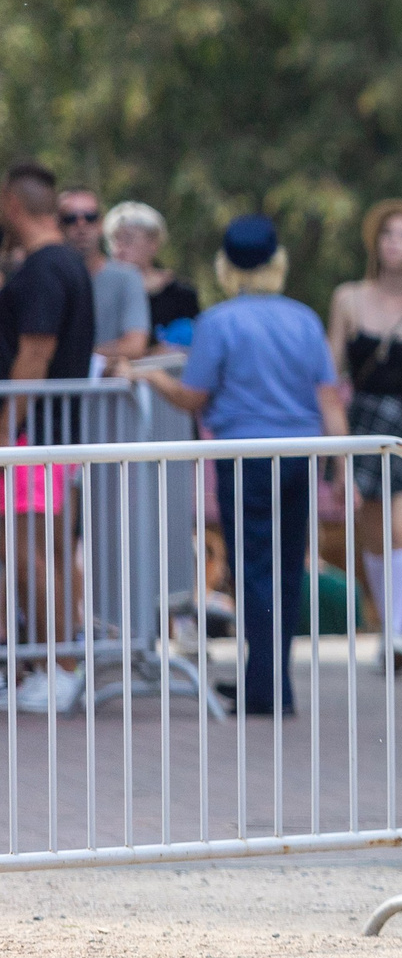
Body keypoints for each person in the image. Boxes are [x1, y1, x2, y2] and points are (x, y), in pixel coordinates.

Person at [123, 216, 345, 716]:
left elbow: (191, 396)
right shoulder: (304, 319)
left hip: (245, 457)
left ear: (226, 266)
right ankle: (271, 681)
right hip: (300, 457)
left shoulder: (220, 322)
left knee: (252, 570)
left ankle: (265, 687)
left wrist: (150, 377)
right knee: (287, 569)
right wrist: (343, 467)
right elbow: (329, 402)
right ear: (277, 262)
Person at [327, 202, 402, 674]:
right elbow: (330, 371)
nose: (394, 243)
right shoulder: (348, 299)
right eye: (388, 235)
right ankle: (385, 623)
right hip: (362, 424)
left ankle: (395, 634)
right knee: (373, 534)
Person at [1, 163, 99, 712]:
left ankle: (58, 667)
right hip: (50, 431)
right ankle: (59, 665)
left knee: (28, 552)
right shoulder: (68, 263)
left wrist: (5, 428)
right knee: (51, 552)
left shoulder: (42, 269)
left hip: (31, 434)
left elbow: (34, 355)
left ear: (14, 206)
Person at [59, 187, 149, 364]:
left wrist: (74, 357)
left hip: (109, 389)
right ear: (58, 225)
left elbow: (135, 345)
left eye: (90, 217)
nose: (81, 225)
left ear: (100, 224)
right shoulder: (49, 279)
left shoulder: (128, 277)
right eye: (71, 219)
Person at [102, 201, 201, 348]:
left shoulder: (181, 294)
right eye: (114, 240)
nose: (119, 248)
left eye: (128, 239)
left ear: (153, 243)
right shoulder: (103, 291)